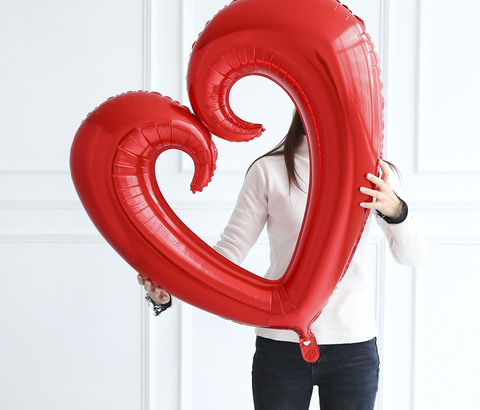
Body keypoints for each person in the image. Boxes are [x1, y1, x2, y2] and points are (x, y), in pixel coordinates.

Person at [138, 110, 428, 410]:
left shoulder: (375, 173)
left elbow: (412, 256)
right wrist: (171, 290)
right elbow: (228, 253)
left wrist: (397, 210)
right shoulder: (268, 170)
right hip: (280, 348)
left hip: (353, 347)